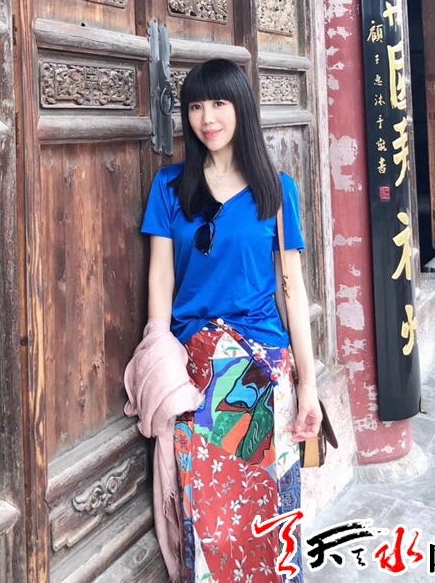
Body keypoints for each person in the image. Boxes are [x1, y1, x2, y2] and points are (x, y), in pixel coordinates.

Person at [140, 58, 321, 583]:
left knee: (267, 517)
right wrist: (160, 354)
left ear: (241, 107)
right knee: (209, 525)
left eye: (219, 103)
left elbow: (292, 290)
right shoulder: (169, 187)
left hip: (262, 370)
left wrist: (307, 385)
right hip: (197, 372)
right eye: (196, 106)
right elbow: (160, 278)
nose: (207, 118)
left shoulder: (276, 191)